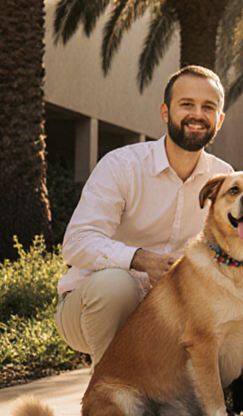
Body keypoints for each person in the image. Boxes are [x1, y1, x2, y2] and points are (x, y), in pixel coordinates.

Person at [56, 65, 233, 364]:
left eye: (208, 107)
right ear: (165, 112)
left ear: (220, 119)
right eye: (187, 104)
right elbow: (76, 243)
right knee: (117, 285)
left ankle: (205, 406)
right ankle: (109, 399)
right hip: (92, 306)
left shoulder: (225, 178)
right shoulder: (122, 166)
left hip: (171, 313)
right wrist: (138, 259)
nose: (198, 114)